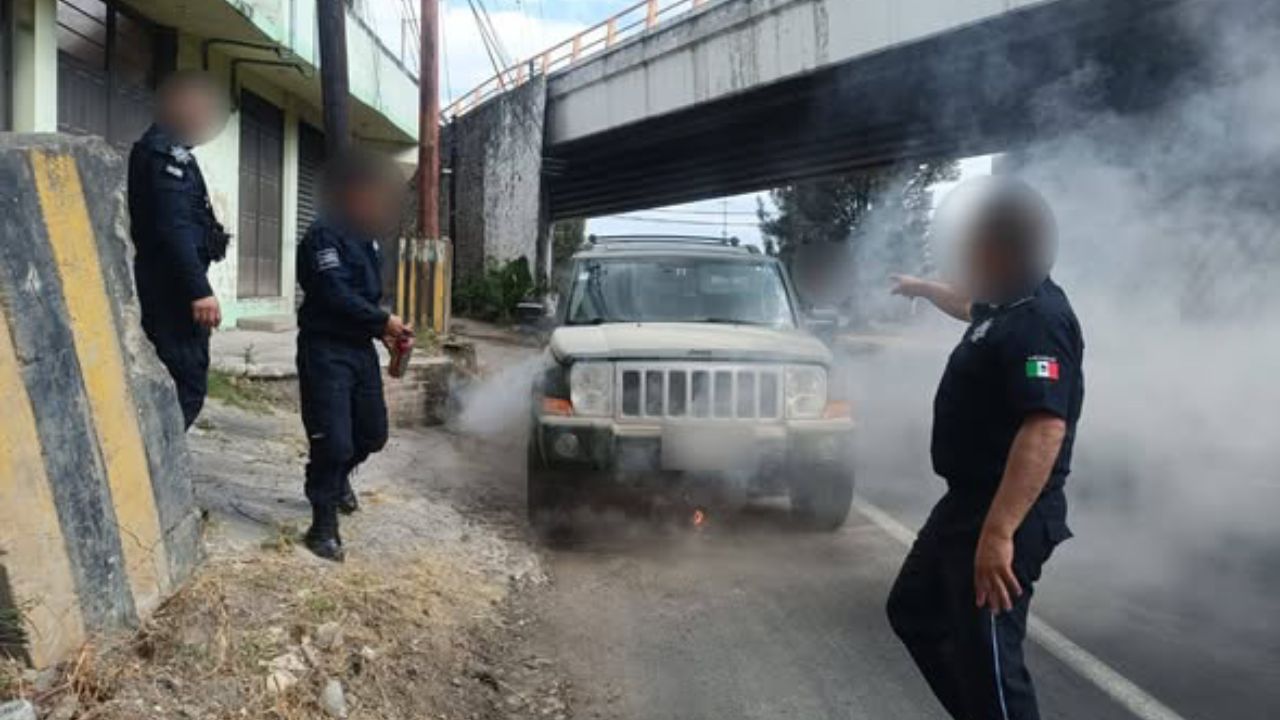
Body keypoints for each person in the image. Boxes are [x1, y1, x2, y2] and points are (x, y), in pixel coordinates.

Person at [885, 177, 1084, 720]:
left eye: (973, 242)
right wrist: (923, 288)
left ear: (1002, 247)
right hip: (967, 504)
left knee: (989, 660)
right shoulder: (1005, 300)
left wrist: (998, 535)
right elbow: (969, 306)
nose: (965, 252)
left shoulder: (1039, 320)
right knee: (914, 611)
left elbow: (1044, 428)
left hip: (1005, 513)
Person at [296, 149, 411, 562]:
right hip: (325, 349)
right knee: (332, 441)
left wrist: (382, 332)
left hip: (359, 350)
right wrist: (382, 320)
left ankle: (339, 479)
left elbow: (364, 295)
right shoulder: (322, 236)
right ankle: (322, 526)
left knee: (372, 435)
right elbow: (334, 294)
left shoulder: (367, 239)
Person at [128, 71, 229, 429]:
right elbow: (173, 228)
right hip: (171, 289)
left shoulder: (176, 152)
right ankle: (154, 473)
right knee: (184, 383)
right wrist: (199, 291)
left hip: (173, 284)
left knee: (185, 382)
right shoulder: (163, 155)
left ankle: (155, 470)